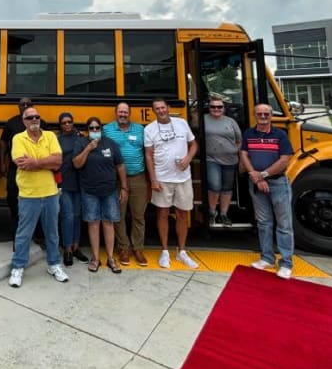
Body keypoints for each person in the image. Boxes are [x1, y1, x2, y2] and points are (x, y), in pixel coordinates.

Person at [8, 105, 69, 288]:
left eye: (37, 117)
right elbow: (22, 163)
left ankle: (53, 265)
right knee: (24, 234)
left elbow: (58, 161)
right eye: (30, 118)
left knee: (52, 233)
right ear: (24, 121)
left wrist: (35, 162)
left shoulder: (50, 136)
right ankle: (18, 267)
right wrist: (46, 162)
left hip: (50, 193)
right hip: (28, 194)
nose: (34, 120)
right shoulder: (18, 138)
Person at [240, 103, 295, 279]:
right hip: (257, 184)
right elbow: (244, 155)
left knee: (284, 225)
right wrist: (254, 176)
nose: (263, 116)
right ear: (255, 115)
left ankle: (286, 263)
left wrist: (262, 175)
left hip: (277, 183)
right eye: (259, 114)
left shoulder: (280, 135)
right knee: (264, 223)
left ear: (271, 116)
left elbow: (284, 160)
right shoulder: (249, 133)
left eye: (266, 114)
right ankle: (267, 258)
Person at [144, 98, 199, 269]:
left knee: (183, 215)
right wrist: (153, 179)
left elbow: (193, 144)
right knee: (162, 214)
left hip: (183, 177)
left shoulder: (182, 123)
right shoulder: (149, 129)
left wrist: (188, 159)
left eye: (163, 107)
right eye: (157, 108)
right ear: (153, 111)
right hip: (162, 178)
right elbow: (148, 155)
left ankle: (181, 251)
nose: (161, 110)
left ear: (168, 108)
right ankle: (165, 251)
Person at [73, 117, 128, 274]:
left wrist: (124, 187)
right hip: (89, 191)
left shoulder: (110, 143)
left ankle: (110, 258)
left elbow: (120, 165)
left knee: (108, 223)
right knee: (93, 223)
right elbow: (77, 164)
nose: (95, 131)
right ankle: (95, 258)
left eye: (97, 128)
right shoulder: (81, 143)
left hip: (109, 190)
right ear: (87, 130)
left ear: (101, 130)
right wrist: (89, 148)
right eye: (92, 128)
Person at [103, 102, 148, 266]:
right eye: (120, 112)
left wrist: (150, 179)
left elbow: (147, 153)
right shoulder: (107, 130)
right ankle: (123, 248)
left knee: (138, 215)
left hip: (138, 177)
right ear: (115, 113)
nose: (123, 114)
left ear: (130, 113)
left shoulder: (140, 130)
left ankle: (138, 248)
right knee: (118, 215)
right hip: (115, 179)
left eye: (125, 112)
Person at [0, 97, 45, 245]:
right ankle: (17, 235)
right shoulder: (12, 122)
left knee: (37, 202)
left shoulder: (40, 123)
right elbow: (3, 144)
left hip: (37, 171)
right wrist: (2, 163)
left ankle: (37, 233)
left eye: (28, 104)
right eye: (22, 105)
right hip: (15, 170)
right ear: (18, 107)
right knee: (14, 202)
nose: (25, 106)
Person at [56, 111, 88, 266]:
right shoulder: (57, 139)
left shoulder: (81, 138)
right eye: (64, 123)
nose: (67, 125)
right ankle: (67, 248)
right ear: (60, 125)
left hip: (79, 181)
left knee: (77, 215)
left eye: (69, 122)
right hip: (64, 181)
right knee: (67, 216)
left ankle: (76, 246)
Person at [204, 99, 242, 226]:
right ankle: (211, 212)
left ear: (224, 108)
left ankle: (223, 214)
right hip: (211, 159)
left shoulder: (230, 122)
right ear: (208, 108)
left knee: (227, 188)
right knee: (215, 186)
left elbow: (238, 140)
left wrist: (236, 151)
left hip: (230, 159)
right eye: (213, 107)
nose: (216, 109)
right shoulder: (203, 119)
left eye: (219, 107)